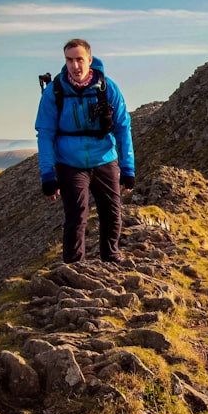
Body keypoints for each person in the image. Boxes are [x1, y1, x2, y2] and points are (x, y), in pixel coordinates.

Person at [36, 38, 135, 263]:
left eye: (79, 59)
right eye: (69, 60)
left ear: (89, 60)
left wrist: (128, 168)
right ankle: (74, 267)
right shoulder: (55, 91)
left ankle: (111, 259)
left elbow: (123, 127)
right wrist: (48, 175)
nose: (75, 65)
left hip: (104, 158)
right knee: (76, 216)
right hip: (69, 162)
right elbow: (45, 133)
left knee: (112, 213)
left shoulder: (108, 87)